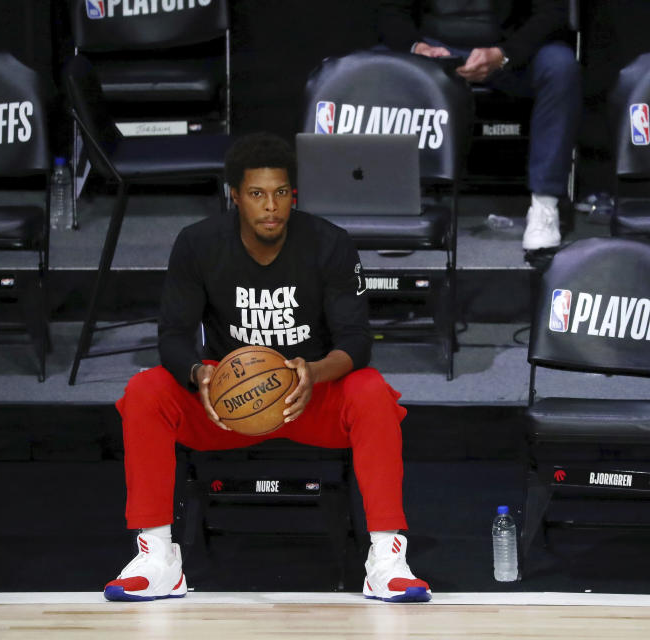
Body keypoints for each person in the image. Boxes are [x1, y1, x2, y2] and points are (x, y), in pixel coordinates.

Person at [105, 132, 431, 603]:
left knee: (371, 391)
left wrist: (314, 372)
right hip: (226, 405)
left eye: (281, 193)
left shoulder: (330, 243)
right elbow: (173, 337)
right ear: (234, 196)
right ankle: (157, 557)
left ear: (293, 195)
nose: (271, 206)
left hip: (307, 397)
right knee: (145, 391)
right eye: (257, 194)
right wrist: (200, 376)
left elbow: (357, 341)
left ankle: (387, 559)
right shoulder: (197, 244)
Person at [378, 0, 581, 254]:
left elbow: (553, 11)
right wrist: (416, 46)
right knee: (378, 65)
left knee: (560, 66)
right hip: (435, 49)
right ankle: (399, 207)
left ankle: (544, 206)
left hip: (509, 52)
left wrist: (506, 54)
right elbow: (391, 10)